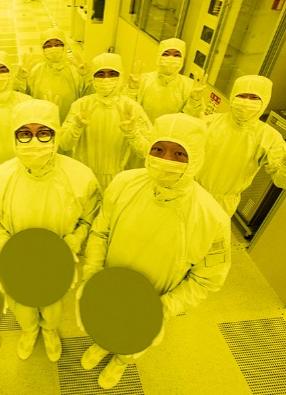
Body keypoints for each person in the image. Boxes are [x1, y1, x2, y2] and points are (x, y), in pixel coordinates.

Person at [79, 112, 231, 389]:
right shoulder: (125, 184)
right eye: (158, 150)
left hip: (154, 300)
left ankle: (121, 362)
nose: (165, 160)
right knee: (106, 321)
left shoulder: (212, 218)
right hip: (109, 284)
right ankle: (102, 344)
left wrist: (165, 307)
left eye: (179, 154)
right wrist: (92, 270)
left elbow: (206, 279)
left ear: (195, 158)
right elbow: (101, 231)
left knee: (133, 339)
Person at [0, 99, 102, 363]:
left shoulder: (81, 177)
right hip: (16, 259)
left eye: (43, 133)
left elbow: (89, 218)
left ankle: (49, 330)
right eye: (25, 134)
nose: (34, 141)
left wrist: (73, 241)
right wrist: (4, 243)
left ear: (55, 135)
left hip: (59, 259)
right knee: (21, 304)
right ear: (13, 136)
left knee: (53, 303)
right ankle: (29, 331)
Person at [196, 75, 286, 216]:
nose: (246, 102)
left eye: (254, 98)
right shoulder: (208, 122)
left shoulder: (269, 137)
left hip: (222, 205)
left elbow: (284, 182)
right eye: (242, 96)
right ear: (233, 97)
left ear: (264, 101)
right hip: (191, 192)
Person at [60, 53, 153, 191]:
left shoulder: (131, 107)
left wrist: (132, 134)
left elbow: (148, 151)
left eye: (112, 74)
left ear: (120, 76)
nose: (106, 79)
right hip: (83, 174)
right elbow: (64, 144)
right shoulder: (81, 105)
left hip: (118, 176)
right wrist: (76, 127)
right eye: (101, 74)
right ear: (93, 77)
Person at [15, 28, 91, 125]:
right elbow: (21, 101)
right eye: (48, 45)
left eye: (57, 44)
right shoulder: (35, 72)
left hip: (70, 125)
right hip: (42, 126)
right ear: (42, 49)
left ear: (64, 46)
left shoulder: (75, 72)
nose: (53, 48)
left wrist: (86, 76)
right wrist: (20, 80)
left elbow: (89, 99)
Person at [127, 38, 206, 123]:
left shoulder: (189, 86)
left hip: (171, 133)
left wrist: (194, 101)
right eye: (166, 54)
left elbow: (189, 121)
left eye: (176, 55)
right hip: (140, 132)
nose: (171, 58)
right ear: (159, 57)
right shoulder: (144, 80)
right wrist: (132, 90)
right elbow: (127, 109)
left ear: (182, 59)